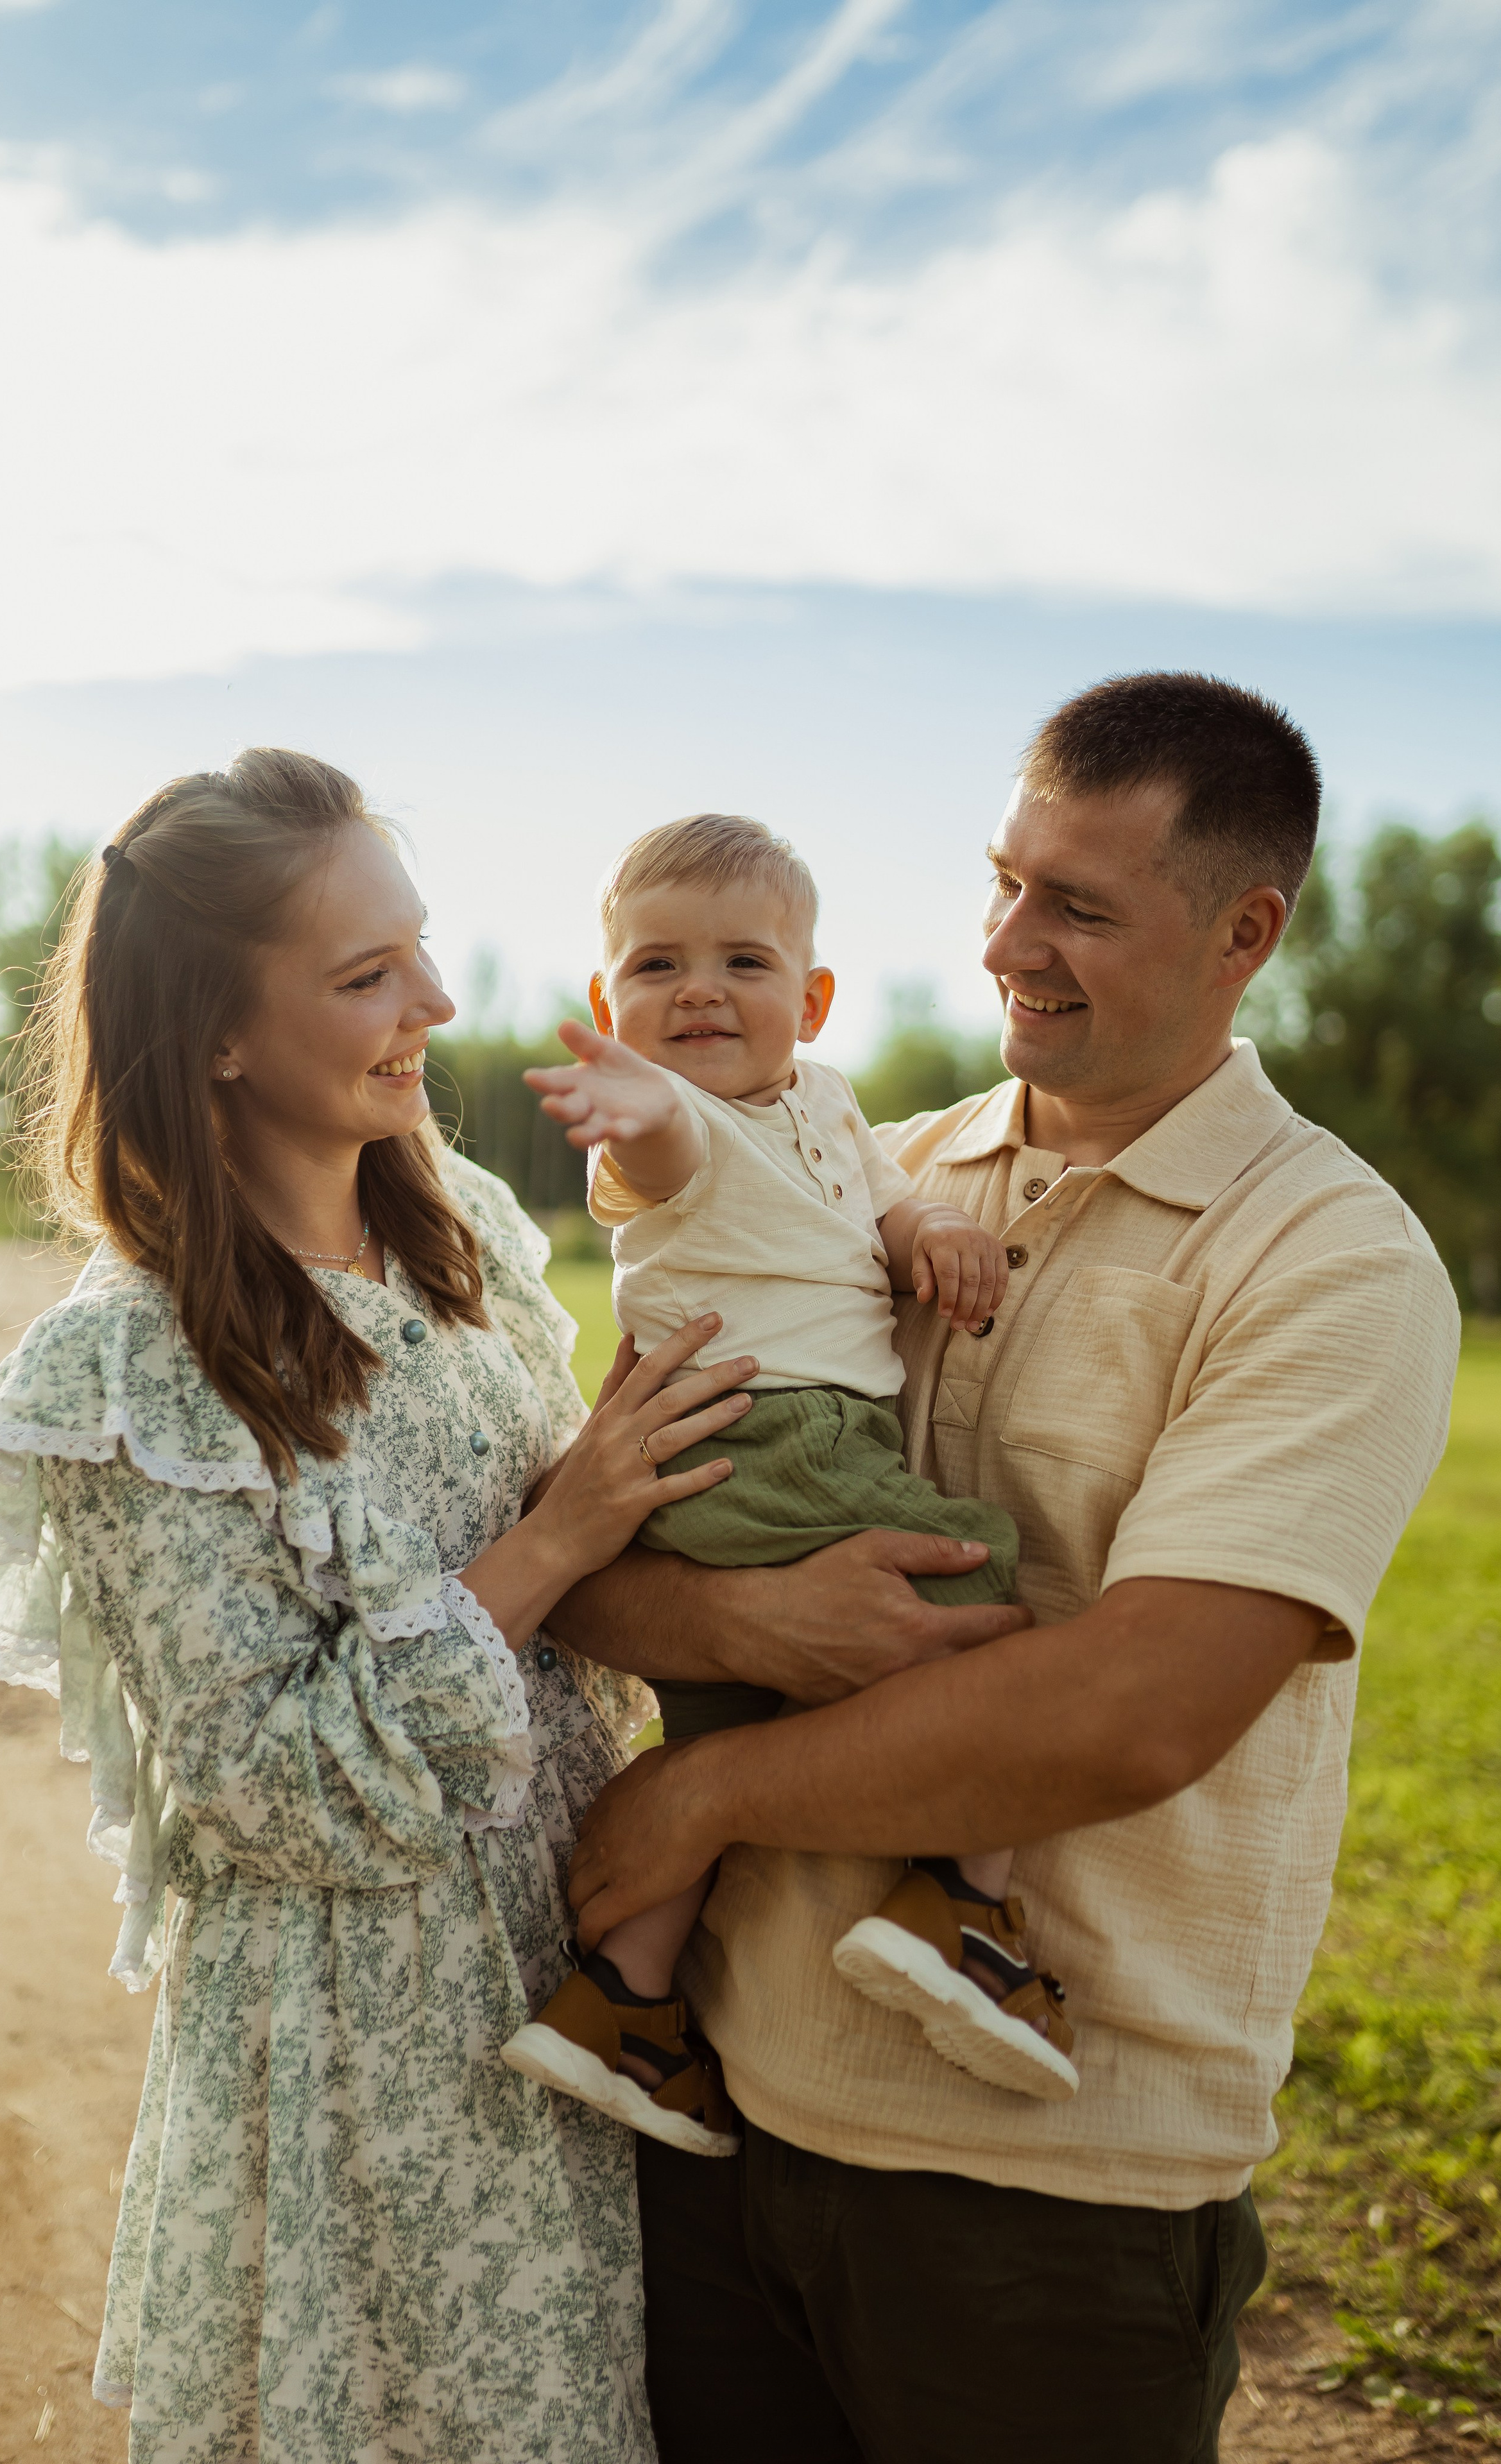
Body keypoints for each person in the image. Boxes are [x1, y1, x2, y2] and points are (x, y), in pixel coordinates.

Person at [549, 675, 1462, 2464]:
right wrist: (745, 1618)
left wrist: (698, 1796)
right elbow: (589, 1550)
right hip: (726, 2119)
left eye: (1079, 909)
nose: (1003, 947)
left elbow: (1136, 1713)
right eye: (1003, 882)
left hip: (1052, 2192)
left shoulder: (1330, 1262)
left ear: (1244, 933)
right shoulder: (855, 1179)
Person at [0, 748, 762, 2464]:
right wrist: (558, 1534)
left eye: (421, 948)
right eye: (367, 975)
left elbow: (571, 1554)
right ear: (218, 1037)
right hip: (364, 2052)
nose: (434, 1003)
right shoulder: (128, 1371)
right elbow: (269, 1786)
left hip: (578, 1979)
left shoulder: (460, 1235)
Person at [501, 815, 1075, 2155]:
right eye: (656, 967)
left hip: (746, 1460)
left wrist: (936, 1229)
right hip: (772, 1436)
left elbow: (885, 1209)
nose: (698, 992)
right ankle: (962, 1907)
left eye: (742, 963)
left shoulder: (826, 1101)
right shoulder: (669, 1122)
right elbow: (664, 1154)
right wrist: (639, 1105)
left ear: (810, 1003)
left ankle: (622, 2007)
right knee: (977, 1588)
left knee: (718, 1721)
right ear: (608, 1005)